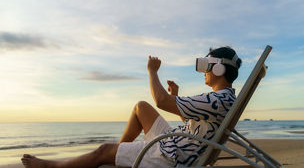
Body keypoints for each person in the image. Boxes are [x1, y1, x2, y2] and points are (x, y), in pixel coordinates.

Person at [21, 46, 242, 168]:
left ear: (220, 69)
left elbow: (162, 102)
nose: (203, 71)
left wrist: (153, 72)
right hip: (177, 142)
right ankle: (118, 157)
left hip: (171, 155)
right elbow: (201, 129)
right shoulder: (223, 98)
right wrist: (176, 97)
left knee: (103, 150)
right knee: (141, 107)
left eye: (206, 65)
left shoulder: (217, 100)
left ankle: (53, 167)